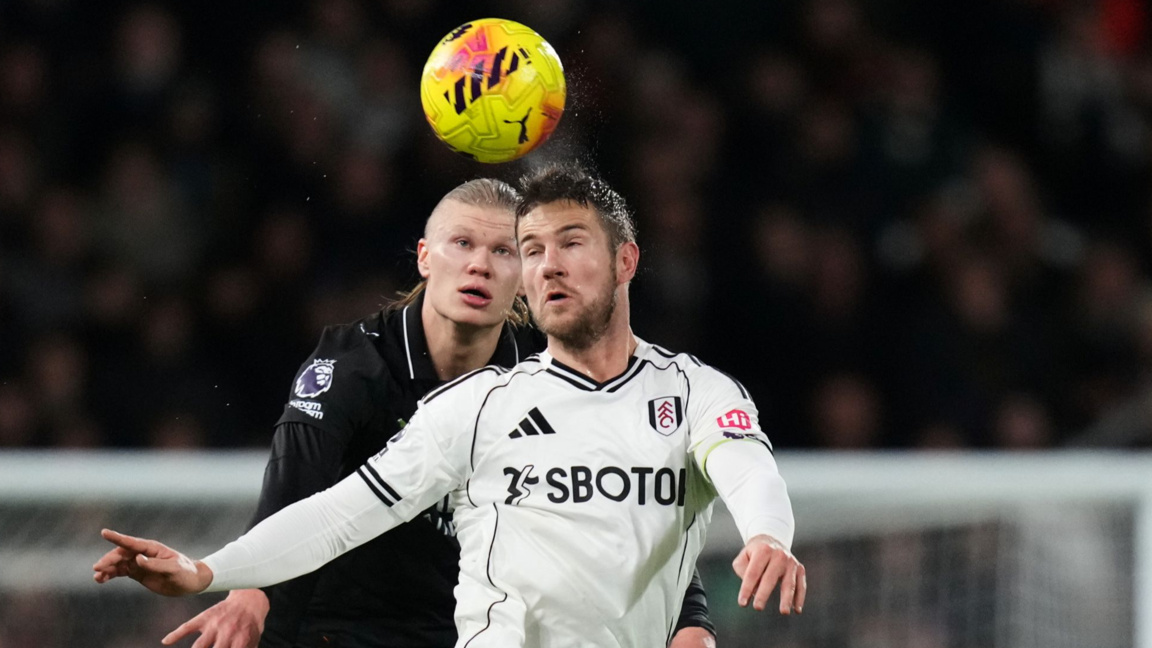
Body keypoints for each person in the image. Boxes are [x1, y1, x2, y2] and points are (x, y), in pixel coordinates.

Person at [94, 165, 805, 648]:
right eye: (531, 249)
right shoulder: (455, 398)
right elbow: (333, 507)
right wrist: (217, 574)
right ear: (425, 255)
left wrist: (761, 542)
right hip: (342, 624)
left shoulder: (691, 392)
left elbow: (737, 475)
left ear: (627, 262)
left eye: (566, 244)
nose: (541, 264)